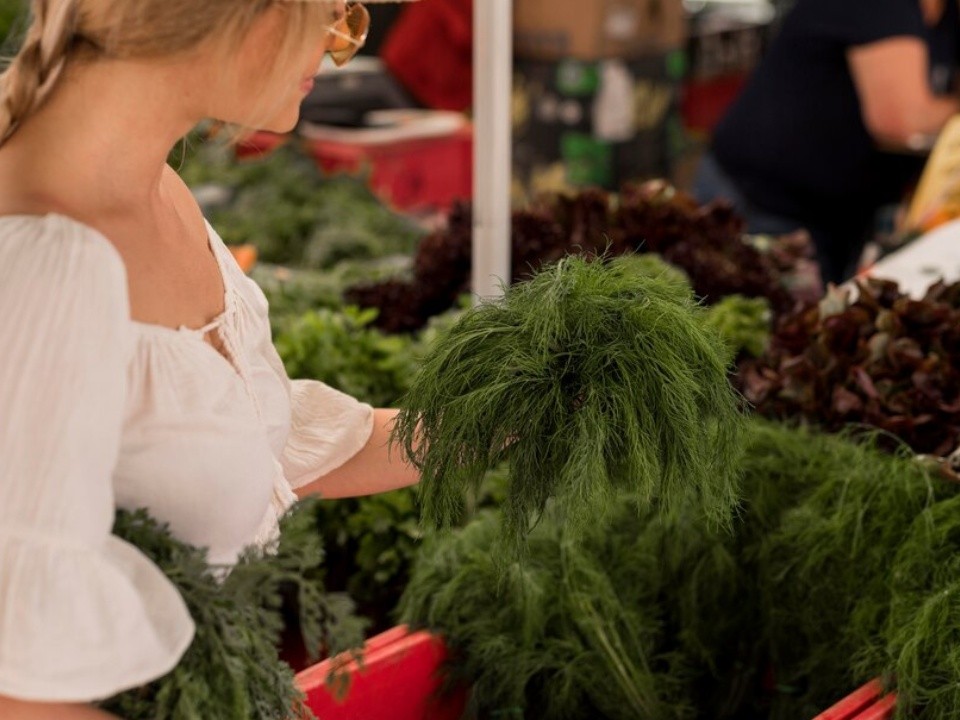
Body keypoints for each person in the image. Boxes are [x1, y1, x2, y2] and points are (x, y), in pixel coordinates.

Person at [0, 1, 420, 718]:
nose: (337, 44)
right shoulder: (47, 259)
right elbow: (25, 698)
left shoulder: (157, 189)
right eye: (331, 11)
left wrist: (509, 416)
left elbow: (238, 450)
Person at [694, 0, 960, 284]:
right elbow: (901, 122)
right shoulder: (883, 6)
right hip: (763, 206)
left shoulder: (945, 14)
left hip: (839, 219)